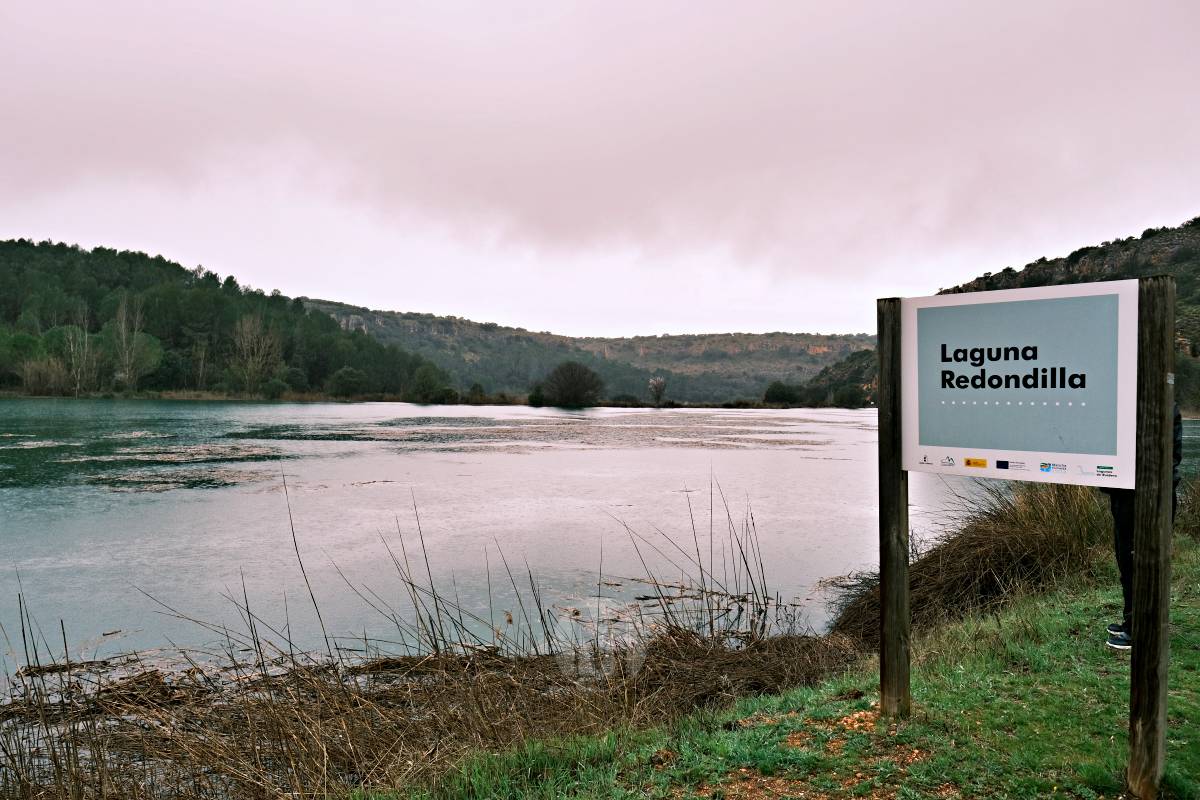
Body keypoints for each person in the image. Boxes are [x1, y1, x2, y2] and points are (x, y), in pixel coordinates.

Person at [1102, 403, 1182, 651]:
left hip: (1146, 496)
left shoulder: (1158, 404)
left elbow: (1164, 456)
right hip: (1125, 494)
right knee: (1127, 561)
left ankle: (1139, 629)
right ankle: (1131, 618)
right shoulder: (1132, 403)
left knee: (1141, 562)